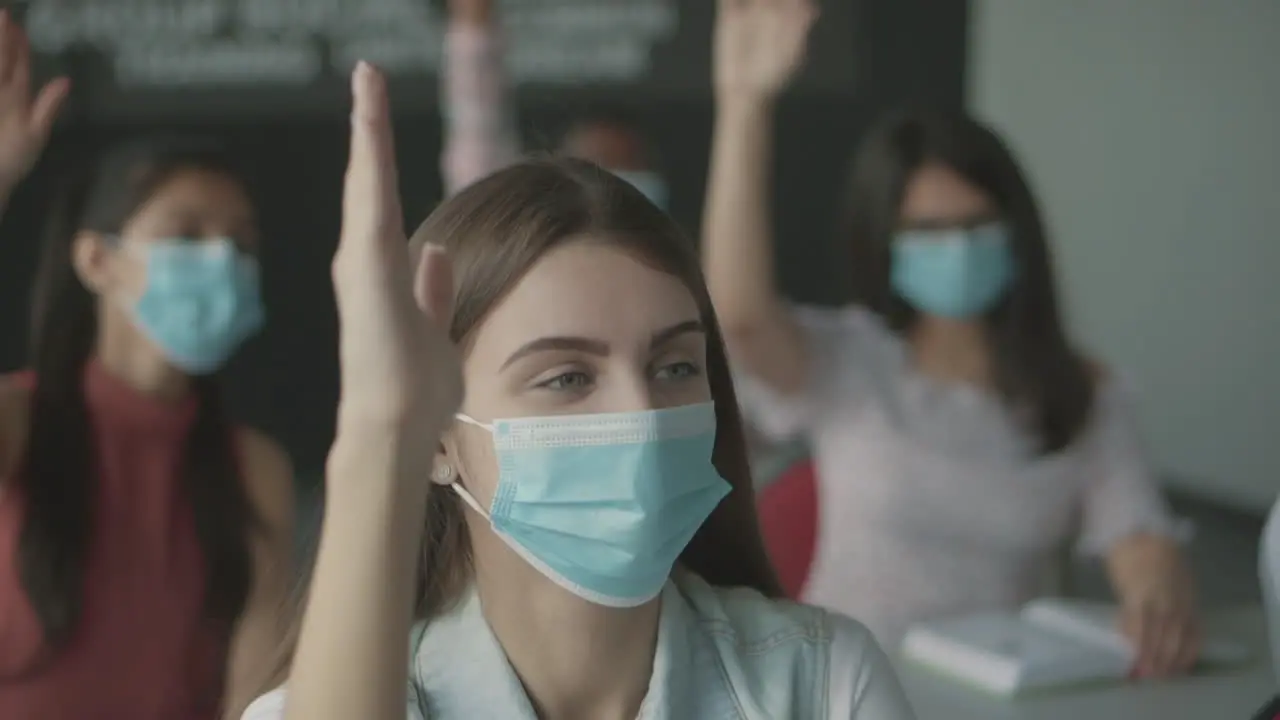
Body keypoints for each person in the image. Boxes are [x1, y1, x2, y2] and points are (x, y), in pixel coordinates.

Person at [242, 63, 914, 720]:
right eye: (567, 377)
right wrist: (377, 435)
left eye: (674, 366)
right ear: (438, 440)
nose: (640, 415)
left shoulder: (824, 683)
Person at [701, 0, 1200, 677]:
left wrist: (1156, 589)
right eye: (928, 232)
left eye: (976, 224)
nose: (957, 248)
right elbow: (739, 314)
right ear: (886, 245)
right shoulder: (849, 360)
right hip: (835, 686)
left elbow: (1139, 535)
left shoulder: (1080, 392)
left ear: (1017, 230)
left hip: (990, 692)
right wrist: (744, 105)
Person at [0, 15, 294, 718]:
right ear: (96, 259)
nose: (221, 260)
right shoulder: (16, 424)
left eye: (240, 242)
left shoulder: (254, 469)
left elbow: (254, 698)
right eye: (186, 234)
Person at [442, 0, 666, 206]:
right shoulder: (511, 233)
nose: (610, 183)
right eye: (593, 167)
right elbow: (477, 125)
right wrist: (473, 27)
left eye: (624, 166)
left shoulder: (671, 244)